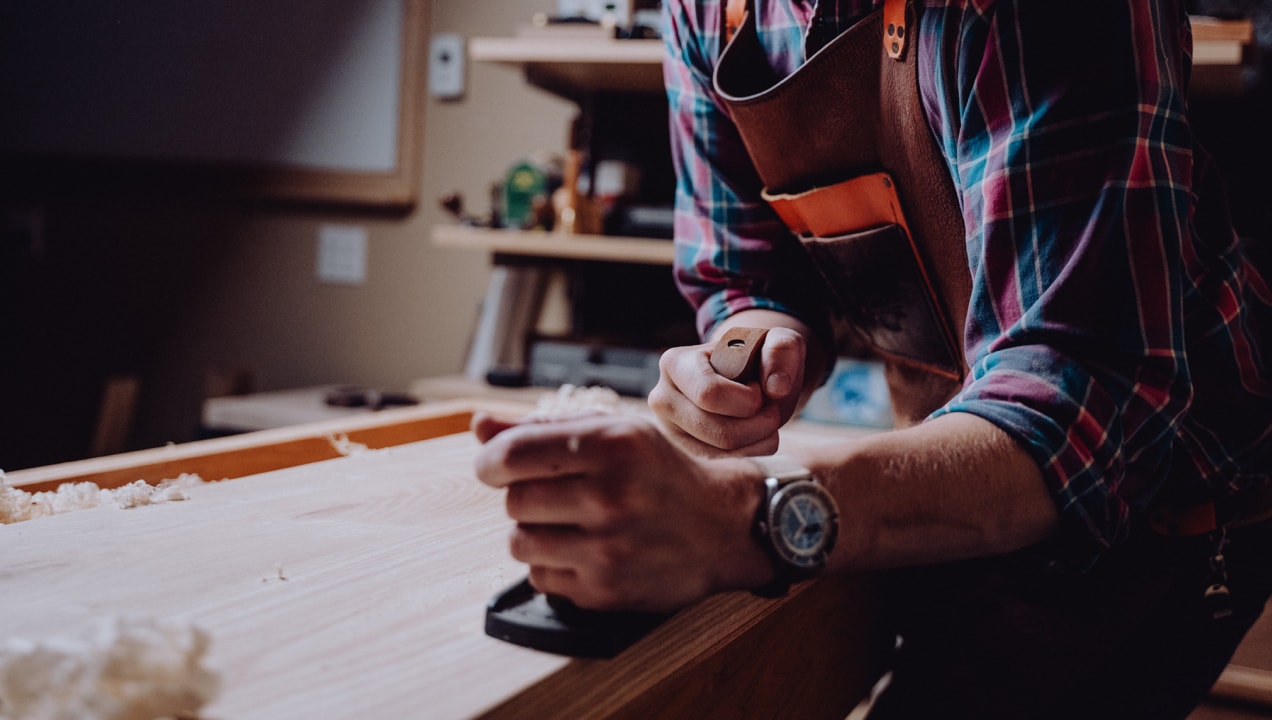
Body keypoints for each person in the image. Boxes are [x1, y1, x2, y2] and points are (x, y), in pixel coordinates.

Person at [473, 0, 1272, 717]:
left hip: (1163, 504)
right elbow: (747, 273)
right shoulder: (709, 14)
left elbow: (1079, 401)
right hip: (948, 461)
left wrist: (743, 517)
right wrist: (747, 347)